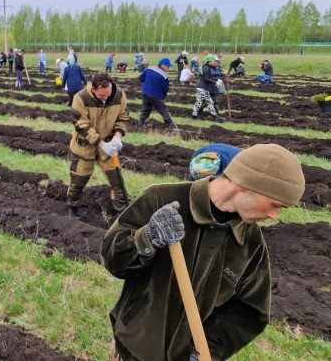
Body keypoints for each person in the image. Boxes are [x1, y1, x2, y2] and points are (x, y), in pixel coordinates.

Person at [101, 144, 305, 361]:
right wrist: (147, 238)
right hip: (134, 347)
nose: (275, 216)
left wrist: (209, 349)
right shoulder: (160, 199)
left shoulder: (250, 243)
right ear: (245, 185)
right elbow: (114, 261)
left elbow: (249, 311)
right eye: (275, 204)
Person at [66, 72, 130, 217]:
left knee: (117, 181)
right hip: (84, 147)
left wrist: (117, 137)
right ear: (93, 89)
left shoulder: (119, 95)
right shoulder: (80, 98)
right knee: (78, 181)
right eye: (102, 96)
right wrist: (101, 144)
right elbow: (81, 125)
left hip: (108, 147)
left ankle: (123, 213)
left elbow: (123, 116)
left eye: (108, 94)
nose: (106, 98)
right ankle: (73, 208)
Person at [136, 57, 179, 131]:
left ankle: (139, 125)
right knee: (164, 111)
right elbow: (165, 89)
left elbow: (141, 78)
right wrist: (162, 97)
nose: (168, 68)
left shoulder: (149, 69)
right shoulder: (164, 76)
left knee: (145, 110)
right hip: (156, 96)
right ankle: (172, 127)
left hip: (145, 93)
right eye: (168, 66)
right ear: (163, 65)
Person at [191, 54, 225, 122]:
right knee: (208, 102)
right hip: (202, 87)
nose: (214, 62)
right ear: (209, 61)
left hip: (203, 87)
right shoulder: (205, 68)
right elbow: (206, 79)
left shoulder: (207, 67)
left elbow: (210, 77)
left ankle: (194, 116)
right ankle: (215, 117)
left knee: (200, 102)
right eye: (213, 61)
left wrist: (217, 80)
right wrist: (215, 82)